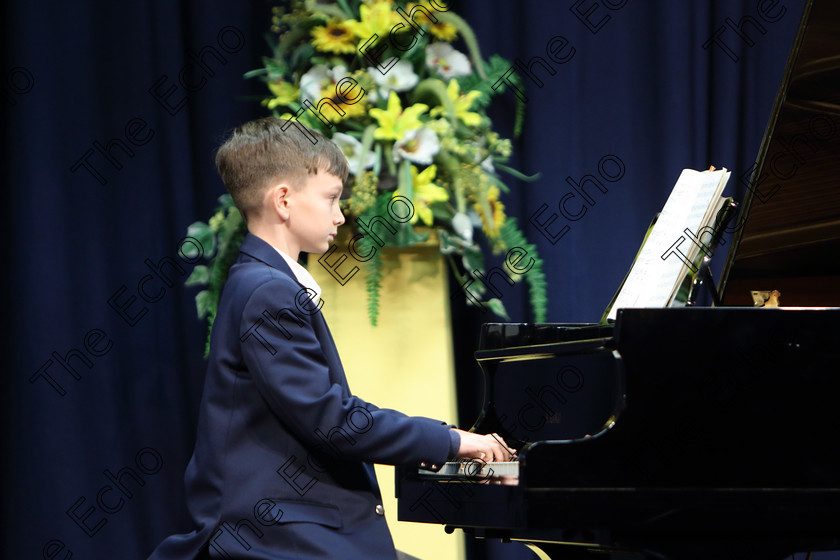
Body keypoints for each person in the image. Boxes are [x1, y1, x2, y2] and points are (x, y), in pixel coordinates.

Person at [148, 117, 514, 560]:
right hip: (274, 535)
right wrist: (454, 441)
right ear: (283, 200)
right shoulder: (268, 290)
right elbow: (333, 421)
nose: (341, 215)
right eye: (332, 198)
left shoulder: (261, 281)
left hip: (291, 523)